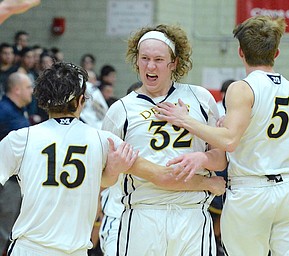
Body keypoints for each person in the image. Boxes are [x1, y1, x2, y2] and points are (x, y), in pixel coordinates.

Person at [0, 62, 225, 256]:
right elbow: (163, 176)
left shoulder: (20, 139)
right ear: (81, 101)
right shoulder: (105, 142)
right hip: (75, 250)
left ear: (42, 100)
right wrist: (207, 183)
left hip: (27, 248)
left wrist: (110, 176)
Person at [155, 16, 289, 256]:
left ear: (241, 52)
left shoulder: (242, 87)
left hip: (252, 192)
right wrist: (229, 126)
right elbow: (260, 130)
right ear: (277, 53)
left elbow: (229, 141)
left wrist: (184, 119)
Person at [99, 24, 227, 256]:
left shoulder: (200, 98)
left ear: (174, 63)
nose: (150, 66)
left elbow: (220, 160)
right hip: (143, 215)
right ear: (136, 60)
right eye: (144, 58)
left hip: (193, 213)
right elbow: (106, 176)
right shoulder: (120, 110)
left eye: (158, 59)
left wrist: (203, 157)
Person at [0, 72, 33, 255]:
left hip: (17, 184)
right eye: (29, 87)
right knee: (3, 232)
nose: (32, 91)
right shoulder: (4, 111)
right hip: (7, 186)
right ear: (17, 89)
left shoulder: (18, 110)